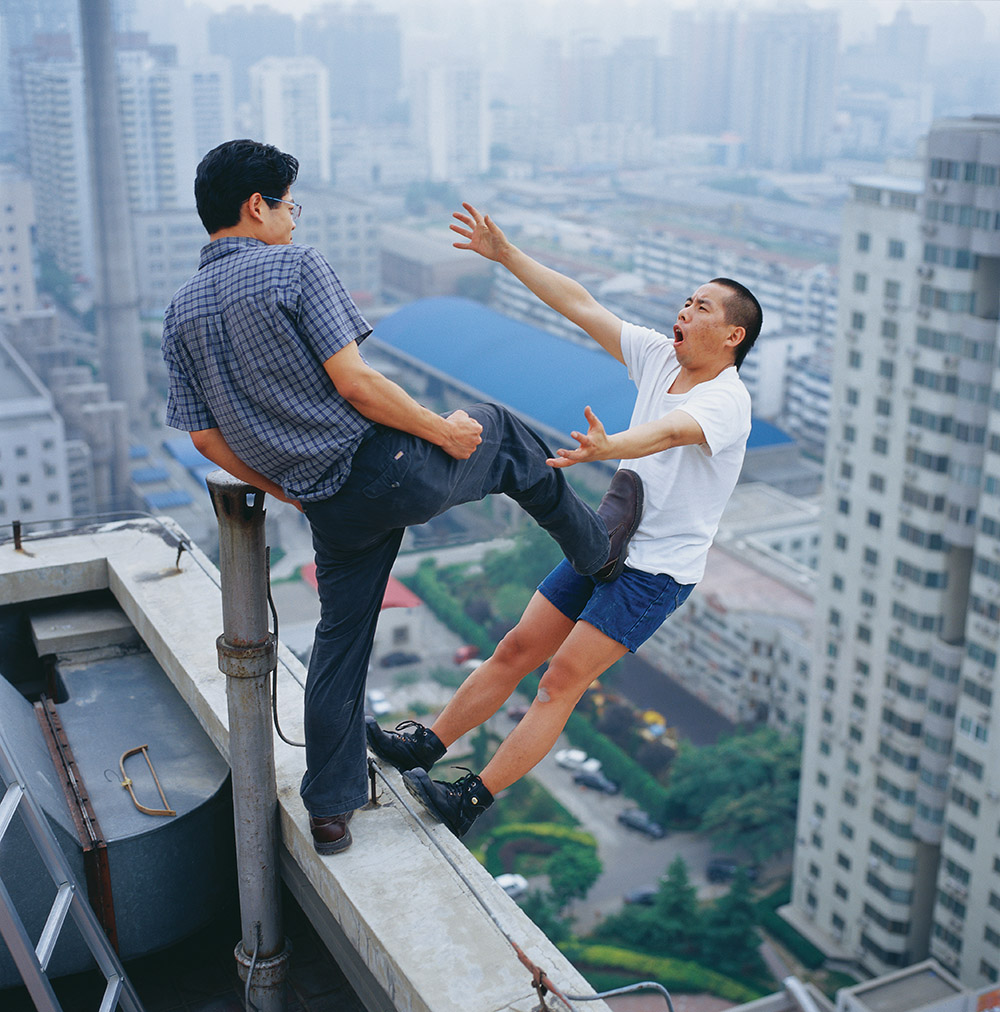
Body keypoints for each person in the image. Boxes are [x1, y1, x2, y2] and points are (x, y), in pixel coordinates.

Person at [161, 143, 641, 856]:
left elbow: (204, 440)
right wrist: (441, 431)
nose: (294, 218)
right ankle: (598, 555)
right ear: (256, 206)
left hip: (327, 503)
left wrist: (286, 489)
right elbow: (355, 383)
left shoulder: (179, 314)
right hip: (385, 465)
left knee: (339, 644)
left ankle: (329, 812)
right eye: (289, 204)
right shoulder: (296, 265)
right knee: (503, 432)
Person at [366, 203, 762, 838]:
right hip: (607, 540)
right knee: (516, 648)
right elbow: (581, 306)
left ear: (733, 336)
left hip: (654, 573)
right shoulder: (664, 358)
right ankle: (425, 744)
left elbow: (668, 433)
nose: (685, 312)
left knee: (558, 683)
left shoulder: (727, 401)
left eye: (703, 307)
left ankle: (471, 797)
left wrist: (610, 448)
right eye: (687, 301)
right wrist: (507, 255)